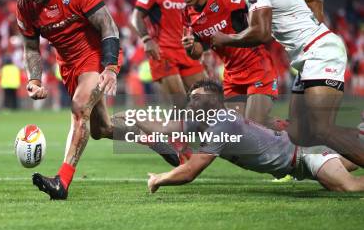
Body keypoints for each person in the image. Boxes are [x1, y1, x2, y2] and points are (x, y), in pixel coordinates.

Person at [212, 0, 363, 167]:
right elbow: (315, 0)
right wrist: (312, 35)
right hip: (311, 55)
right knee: (299, 134)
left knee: (321, 129)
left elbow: (260, 33)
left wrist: (226, 39)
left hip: (320, 52)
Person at [11, 0, 122, 200]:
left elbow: (108, 26)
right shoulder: (24, 6)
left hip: (95, 54)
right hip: (69, 65)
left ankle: (62, 181)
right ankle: (160, 139)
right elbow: (31, 48)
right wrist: (34, 80)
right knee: (101, 129)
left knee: (79, 108)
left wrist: (110, 67)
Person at [147, 80, 364, 193]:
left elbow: (191, 170)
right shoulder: (203, 119)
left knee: (347, 186)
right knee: (348, 161)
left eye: (197, 98)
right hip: (297, 160)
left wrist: (159, 178)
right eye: (191, 98)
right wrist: (132, 119)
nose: (191, 103)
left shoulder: (223, 123)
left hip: (305, 154)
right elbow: (166, 128)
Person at [178, 0, 278, 127]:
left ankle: (297, 138)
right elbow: (197, 53)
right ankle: (291, 132)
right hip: (232, 76)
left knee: (255, 128)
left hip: (257, 67)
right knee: (234, 131)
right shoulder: (187, 14)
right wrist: (190, 47)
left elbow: (257, 4)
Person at [130, 0, 205, 109]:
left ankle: (173, 133)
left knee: (206, 101)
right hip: (164, 53)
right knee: (180, 103)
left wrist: (204, 46)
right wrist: (146, 39)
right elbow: (135, 16)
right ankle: (172, 134)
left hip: (187, 51)